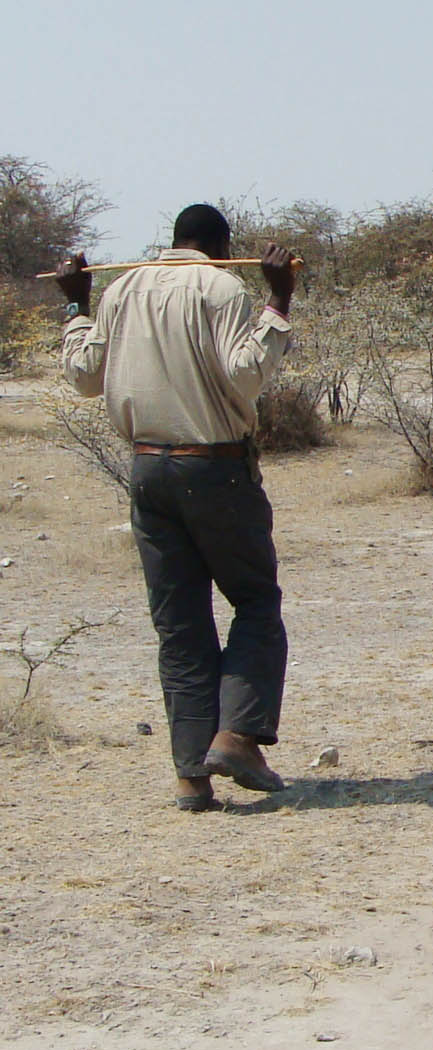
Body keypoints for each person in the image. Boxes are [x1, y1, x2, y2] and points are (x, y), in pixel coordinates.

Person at [56, 204, 299, 809]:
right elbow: (246, 375)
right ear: (222, 245)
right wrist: (278, 300)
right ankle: (237, 736)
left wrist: (75, 306)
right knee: (255, 601)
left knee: (180, 624)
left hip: (146, 469)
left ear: (173, 240)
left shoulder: (120, 288)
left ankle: (192, 774)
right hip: (214, 467)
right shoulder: (221, 287)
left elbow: (84, 376)